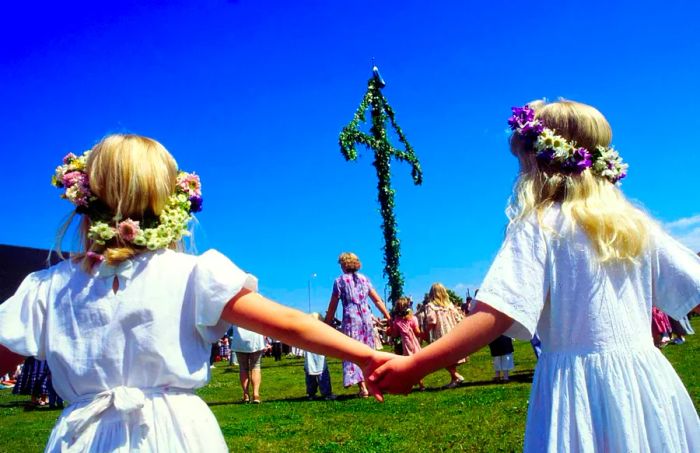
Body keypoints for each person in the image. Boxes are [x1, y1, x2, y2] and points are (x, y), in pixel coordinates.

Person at [0, 134, 391, 452]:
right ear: (169, 201)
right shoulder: (195, 273)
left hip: (83, 438)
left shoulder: (49, 286)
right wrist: (369, 356)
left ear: (85, 196)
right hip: (176, 433)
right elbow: (291, 323)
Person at [370, 100, 700, 452]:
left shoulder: (542, 226)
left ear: (540, 162)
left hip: (579, 391)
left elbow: (495, 314)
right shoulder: (634, 225)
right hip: (647, 385)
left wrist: (417, 364)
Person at [324, 252, 391, 398]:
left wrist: (327, 323)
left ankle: (363, 387)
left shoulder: (339, 281)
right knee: (368, 349)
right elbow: (377, 300)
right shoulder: (365, 279)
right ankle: (372, 382)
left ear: (344, 264)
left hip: (351, 318)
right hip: (366, 317)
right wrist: (387, 315)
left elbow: (333, 305)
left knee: (353, 350)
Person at [422, 283, 465, 388]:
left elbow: (432, 321)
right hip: (453, 331)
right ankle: (454, 379)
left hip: (441, 333)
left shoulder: (431, 306)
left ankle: (456, 376)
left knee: (441, 357)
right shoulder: (450, 305)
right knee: (449, 357)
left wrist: (426, 332)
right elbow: (458, 318)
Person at [387, 297, 425, 390]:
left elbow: (395, 334)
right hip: (414, 342)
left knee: (408, 364)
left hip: (405, 344)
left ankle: (412, 383)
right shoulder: (413, 318)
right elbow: (417, 332)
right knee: (416, 363)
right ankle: (420, 384)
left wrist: (391, 329)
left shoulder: (397, 321)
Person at [229, 325, 268, 404]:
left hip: (239, 339)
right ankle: (256, 395)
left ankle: (246, 394)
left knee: (243, 368)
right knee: (256, 367)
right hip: (256, 337)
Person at [304, 313, 336, 400]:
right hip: (319, 360)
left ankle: (311, 394)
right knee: (323, 377)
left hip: (310, 360)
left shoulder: (306, 334)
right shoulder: (320, 333)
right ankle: (326, 394)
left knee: (310, 378)